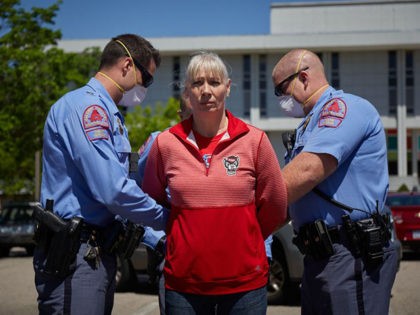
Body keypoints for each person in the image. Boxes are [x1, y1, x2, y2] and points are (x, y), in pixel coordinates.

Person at [142, 51, 288, 314]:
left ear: (228, 88)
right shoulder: (165, 144)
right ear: (187, 91)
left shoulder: (255, 141)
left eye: (214, 82)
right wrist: (181, 237)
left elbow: (275, 206)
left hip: (246, 285)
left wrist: (245, 238)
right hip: (184, 286)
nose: (206, 91)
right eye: (197, 83)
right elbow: (152, 200)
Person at [34, 34, 169, 315]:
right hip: (76, 257)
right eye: (147, 79)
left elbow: (117, 200)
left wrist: (158, 238)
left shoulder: (111, 115)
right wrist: (170, 219)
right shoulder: (88, 109)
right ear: (126, 65)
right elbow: (113, 191)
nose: (145, 88)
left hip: (95, 253)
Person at [272, 48, 398, 314]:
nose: (281, 99)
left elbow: (308, 172)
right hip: (320, 256)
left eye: (280, 90)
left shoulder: (344, 109)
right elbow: (288, 199)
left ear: (303, 78)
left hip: (351, 254)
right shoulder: (309, 124)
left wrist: (239, 203)